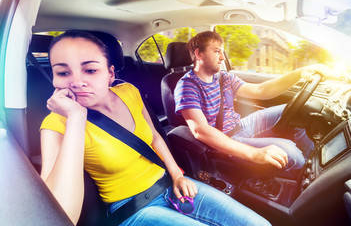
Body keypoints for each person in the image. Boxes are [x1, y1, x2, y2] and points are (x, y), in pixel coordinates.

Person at [39, 30, 271, 226]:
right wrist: (76, 118)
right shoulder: (55, 124)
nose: (77, 82)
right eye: (62, 72)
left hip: (169, 184)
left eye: (90, 70)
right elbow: (57, 214)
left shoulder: (129, 92)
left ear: (110, 74)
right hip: (133, 208)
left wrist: (177, 175)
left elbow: (155, 139)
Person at [174, 31, 330, 175]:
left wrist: (299, 73)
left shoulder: (224, 78)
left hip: (242, 125)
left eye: (222, 51)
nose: (222, 57)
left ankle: (311, 164)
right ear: (199, 54)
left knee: (300, 110)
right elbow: (200, 131)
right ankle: (304, 174)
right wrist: (255, 153)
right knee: (291, 152)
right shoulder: (187, 86)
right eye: (216, 51)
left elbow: (261, 90)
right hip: (225, 139)